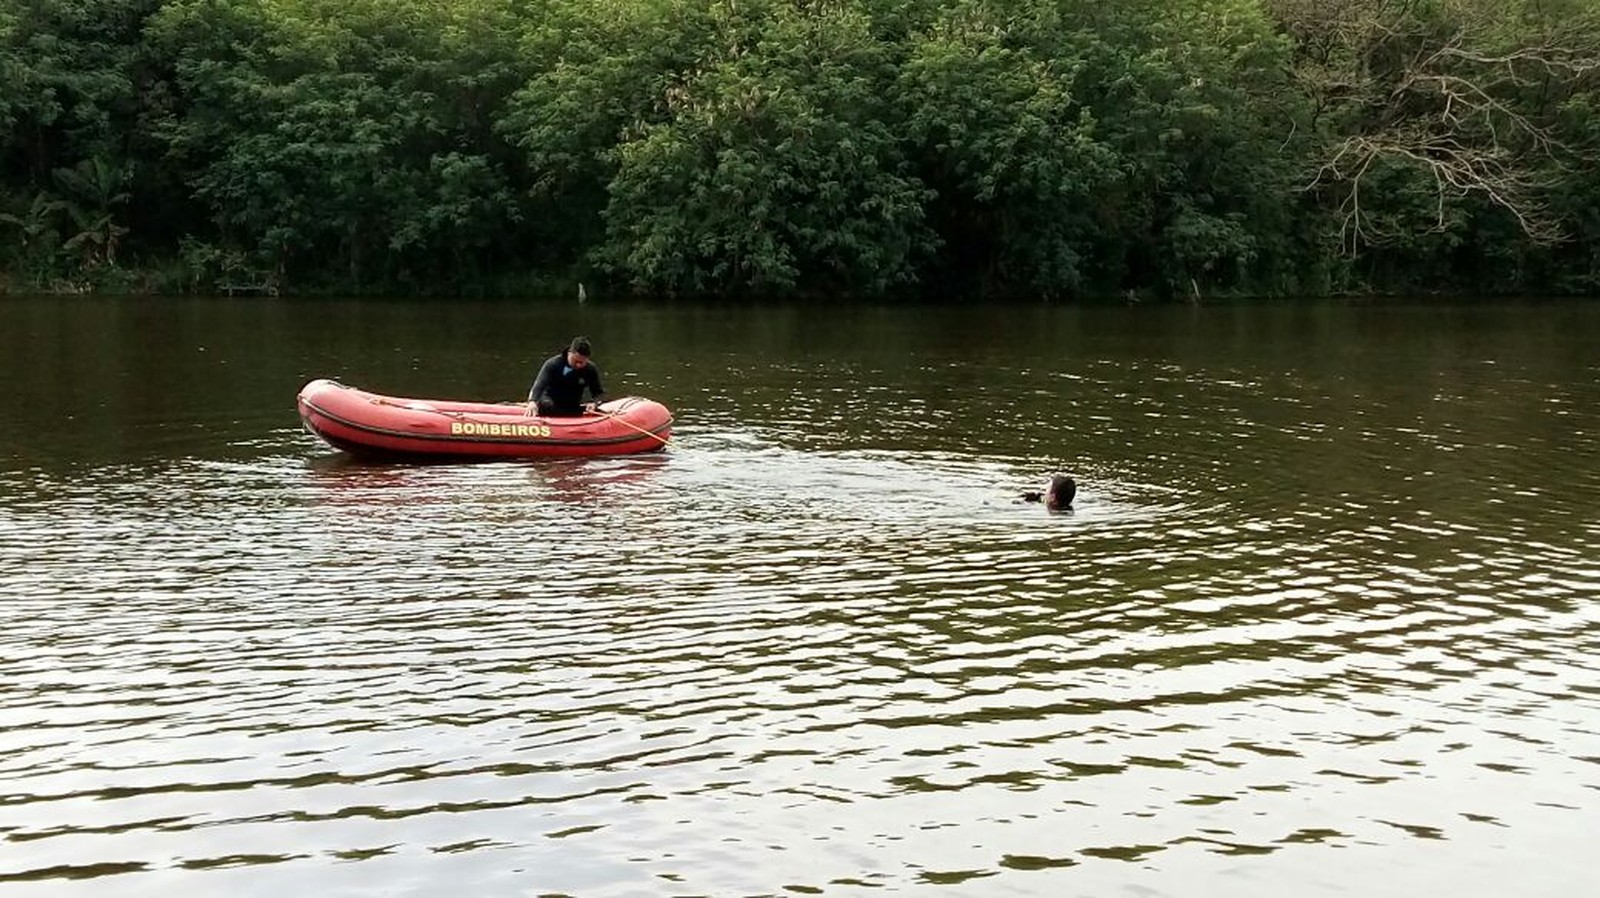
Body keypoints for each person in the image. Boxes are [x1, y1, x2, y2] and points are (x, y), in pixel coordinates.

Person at [527, 336, 606, 417]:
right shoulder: (553, 364)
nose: (578, 365)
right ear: (569, 353)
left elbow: (598, 393)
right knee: (547, 406)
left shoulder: (590, 369)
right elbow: (539, 385)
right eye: (575, 361)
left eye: (582, 362)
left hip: (572, 405)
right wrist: (532, 401)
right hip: (550, 401)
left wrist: (594, 404)